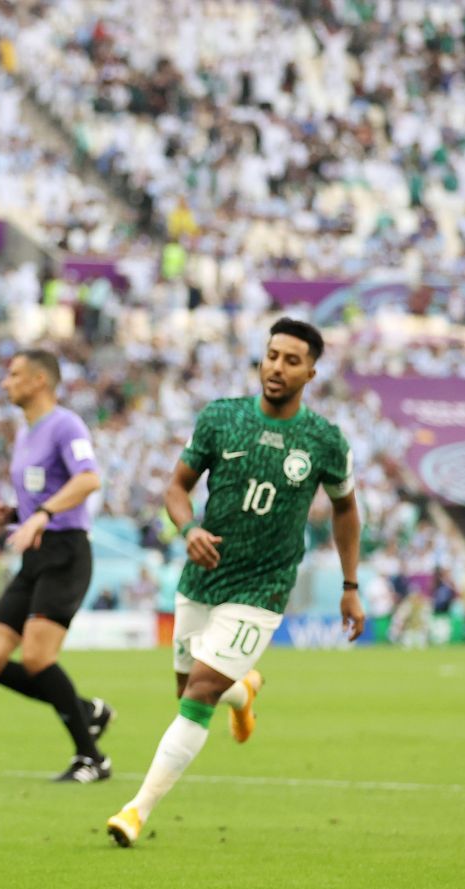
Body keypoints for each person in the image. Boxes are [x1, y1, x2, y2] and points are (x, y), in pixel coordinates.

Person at [108, 318, 359, 846]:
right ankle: (242, 692)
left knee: (197, 694)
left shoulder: (324, 441)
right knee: (187, 691)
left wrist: (350, 584)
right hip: (202, 577)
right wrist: (189, 527)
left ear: (311, 372)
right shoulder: (221, 419)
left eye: (292, 361)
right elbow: (176, 488)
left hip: (263, 588)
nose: (277, 367)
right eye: (272, 355)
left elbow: (346, 510)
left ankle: (136, 810)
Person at [0, 349, 116, 783]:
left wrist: (42, 515)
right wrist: (17, 514)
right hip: (35, 554)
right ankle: (86, 709)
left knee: (37, 658)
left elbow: (89, 478)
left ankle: (92, 759)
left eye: (13, 374)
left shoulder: (66, 424)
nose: (5, 382)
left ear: (39, 380)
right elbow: (41, 496)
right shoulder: (26, 432)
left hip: (66, 551)